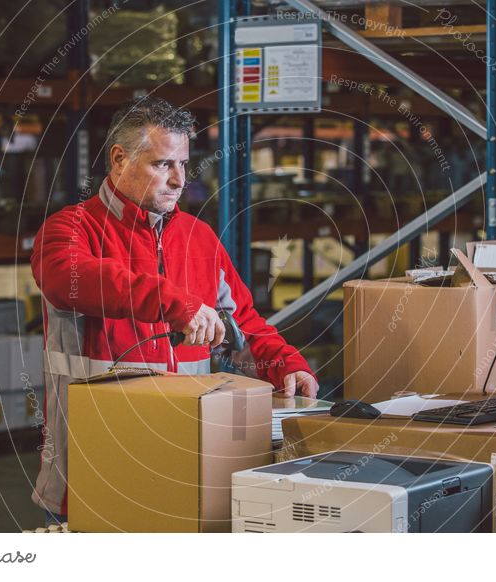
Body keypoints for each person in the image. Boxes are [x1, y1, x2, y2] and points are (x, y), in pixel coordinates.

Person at [30, 96, 318, 524]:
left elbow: (243, 323)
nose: (179, 179)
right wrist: (174, 303)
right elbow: (69, 278)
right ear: (119, 159)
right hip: (92, 464)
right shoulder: (71, 229)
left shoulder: (199, 238)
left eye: (184, 164)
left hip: (183, 461)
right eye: (162, 164)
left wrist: (285, 364)